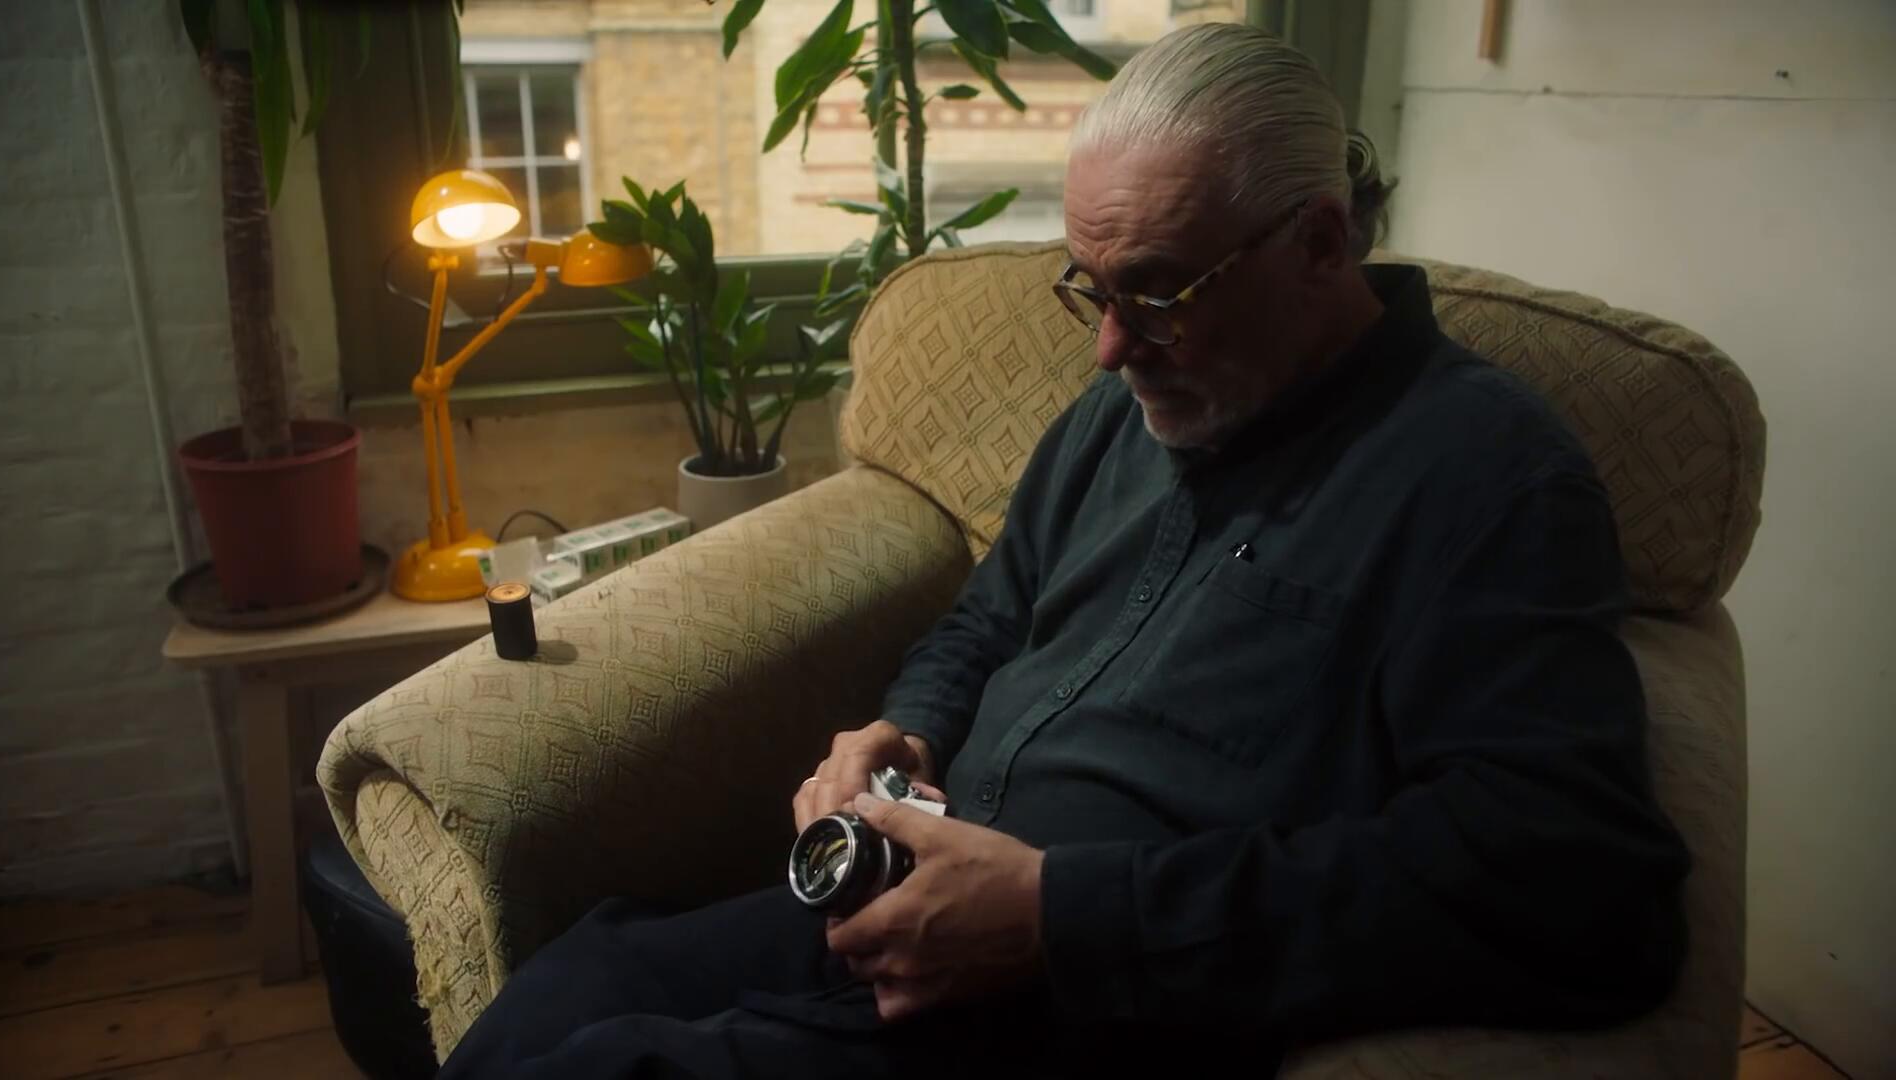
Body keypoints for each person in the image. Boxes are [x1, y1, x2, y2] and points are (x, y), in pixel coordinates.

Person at [439, 22, 1689, 1079]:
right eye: (1091, 288)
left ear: (1320, 242)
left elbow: (1583, 894)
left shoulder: (1487, 477)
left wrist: (1060, 915)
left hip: (1097, 1000)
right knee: (582, 976)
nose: (1110, 348)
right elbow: (993, 617)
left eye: (1160, 291)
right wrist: (908, 730)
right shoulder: (1123, 406)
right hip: (907, 898)